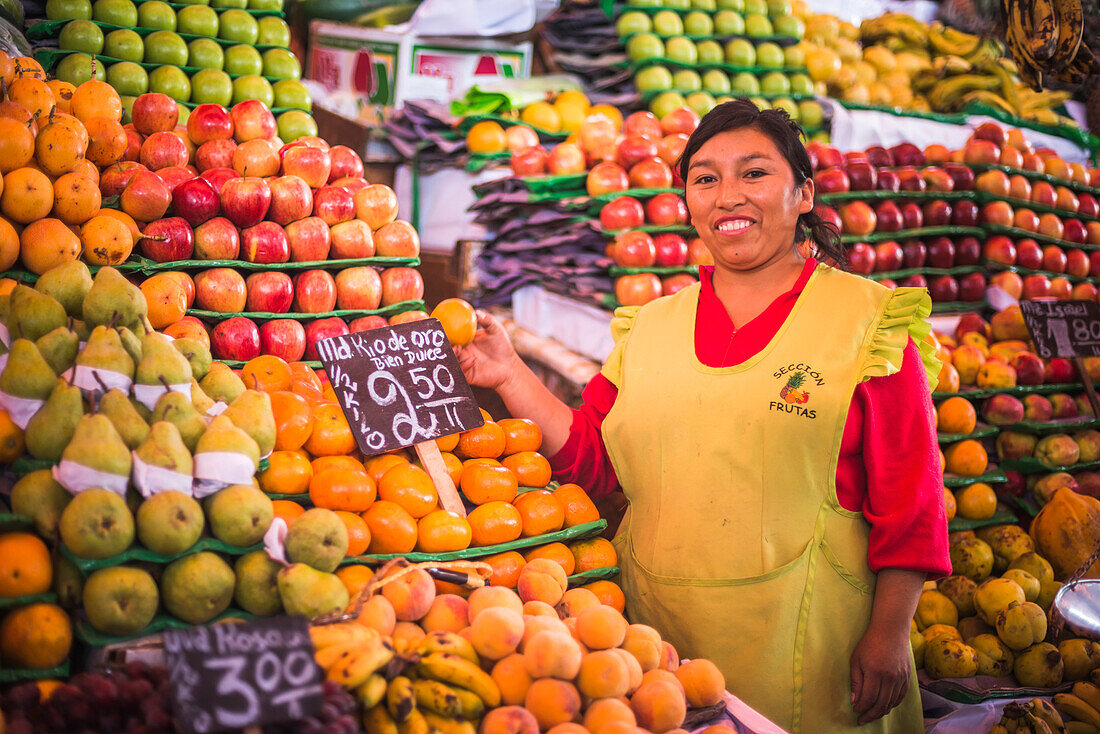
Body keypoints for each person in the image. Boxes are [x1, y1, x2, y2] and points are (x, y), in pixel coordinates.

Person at [456, 100, 950, 733]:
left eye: (754, 174)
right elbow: (593, 458)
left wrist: (889, 634)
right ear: (687, 200)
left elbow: (912, 497)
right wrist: (509, 374)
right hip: (656, 655)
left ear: (802, 193)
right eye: (705, 178)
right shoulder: (653, 325)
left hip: (812, 655)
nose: (728, 197)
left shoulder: (866, 322)